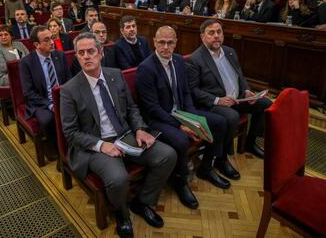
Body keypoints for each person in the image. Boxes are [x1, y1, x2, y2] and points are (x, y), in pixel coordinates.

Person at [60, 32, 176, 237]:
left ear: (101, 53)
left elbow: (131, 108)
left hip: (125, 135)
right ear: (76, 56)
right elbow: (70, 132)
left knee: (167, 155)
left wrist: (140, 128)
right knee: (118, 179)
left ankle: (143, 202)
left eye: (91, 51)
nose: (86, 56)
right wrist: (101, 145)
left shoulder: (115, 74)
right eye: (81, 53)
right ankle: (122, 214)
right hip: (95, 144)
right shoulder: (70, 90)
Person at [136, 29, 236, 206]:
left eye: (170, 42)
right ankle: (180, 182)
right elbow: (152, 108)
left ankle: (206, 167)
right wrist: (181, 125)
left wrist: (192, 117)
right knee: (181, 140)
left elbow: (186, 92)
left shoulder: (179, 60)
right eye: (161, 42)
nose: (166, 47)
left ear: (176, 42)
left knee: (220, 122)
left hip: (181, 112)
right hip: (158, 118)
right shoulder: (146, 68)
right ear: (154, 42)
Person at [186, 19, 272, 159]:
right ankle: (223, 157)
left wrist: (246, 90)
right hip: (215, 103)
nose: (216, 36)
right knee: (232, 117)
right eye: (211, 33)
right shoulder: (195, 59)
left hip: (237, 98)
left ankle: (250, 142)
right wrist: (218, 100)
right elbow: (193, 90)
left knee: (265, 104)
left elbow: (240, 76)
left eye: (219, 32)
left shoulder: (230, 51)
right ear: (203, 37)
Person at [20, 26, 71, 149]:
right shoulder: (26, 62)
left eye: (52, 38)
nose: (52, 42)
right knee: (48, 120)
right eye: (47, 40)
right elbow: (29, 92)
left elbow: (69, 80)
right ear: (37, 44)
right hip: (41, 102)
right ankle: (58, 150)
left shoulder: (60, 55)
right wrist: (50, 104)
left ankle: (75, 145)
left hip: (63, 97)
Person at [0, 25, 29, 92]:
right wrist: (24, 68)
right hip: (5, 77)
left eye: (6, 34)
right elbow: (4, 68)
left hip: (23, 72)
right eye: (0, 35)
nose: (3, 37)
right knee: (25, 77)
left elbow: (29, 58)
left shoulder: (19, 44)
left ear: (11, 36)